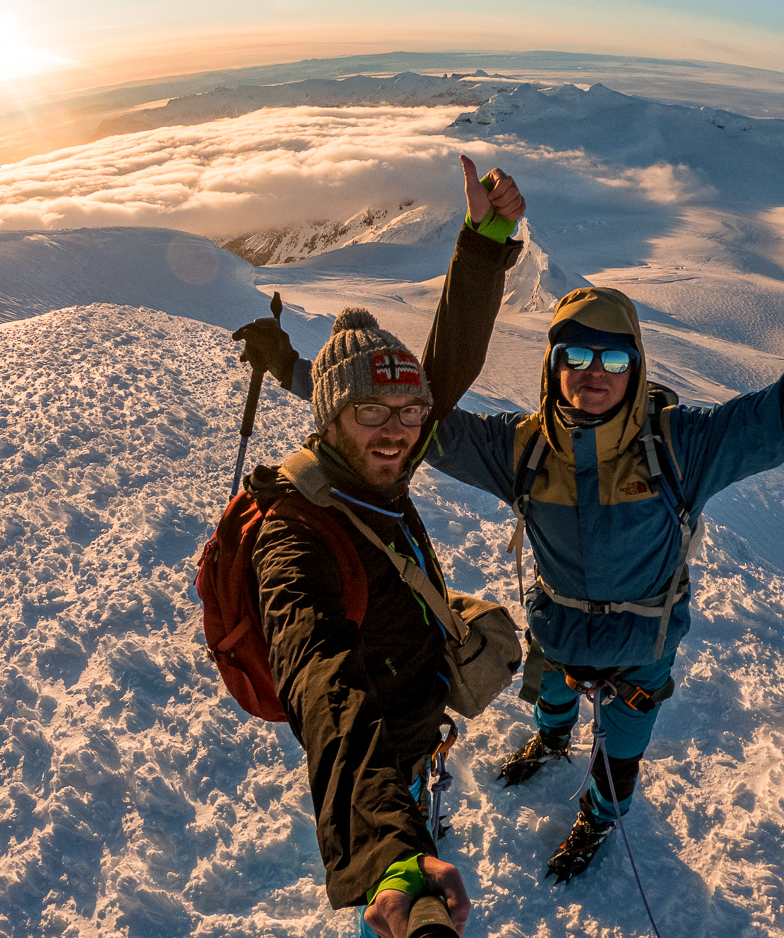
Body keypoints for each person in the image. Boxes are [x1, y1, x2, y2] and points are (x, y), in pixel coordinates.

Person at [242, 207, 784, 883]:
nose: (592, 372)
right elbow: (405, 422)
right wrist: (297, 372)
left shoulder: (682, 448)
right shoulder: (519, 449)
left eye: (612, 359)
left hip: (640, 648)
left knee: (620, 751)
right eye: (574, 354)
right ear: (552, 365)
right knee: (551, 702)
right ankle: (552, 741)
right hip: (557, 629)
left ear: (636, 367)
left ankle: (599, 816)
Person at [238, 158, 525, 937]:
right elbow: (323, 681)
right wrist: (392, 850)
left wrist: (484, 241)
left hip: (416, 716)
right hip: (380, 754)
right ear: (329, 418)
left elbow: (448, 369)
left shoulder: (375, 467)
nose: (399, 428)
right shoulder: (296, 532)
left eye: (408, 409)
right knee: (399, 901)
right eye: (372, 409)